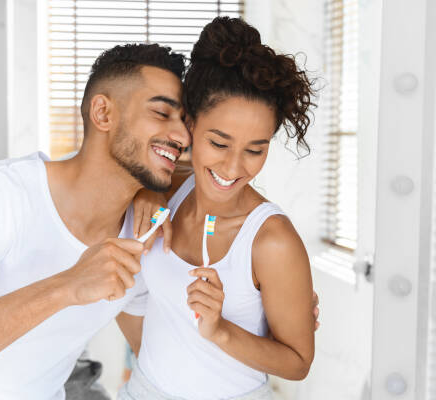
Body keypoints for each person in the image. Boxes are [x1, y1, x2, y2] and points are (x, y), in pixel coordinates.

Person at [0, 43, 190, 400]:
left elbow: (154, 358)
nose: (183, 137)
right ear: (103, 113)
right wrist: (67, 286)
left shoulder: (144, 234)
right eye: (161, 113)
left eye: (186, 122)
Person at [119, 17, 317, 400]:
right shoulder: (165, 190)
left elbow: (298, 362)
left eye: (255, 150)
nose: (232, 167)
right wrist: (146, 191)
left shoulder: (271, 241)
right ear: (190, 124)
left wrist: (220, 330)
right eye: (219, 143)